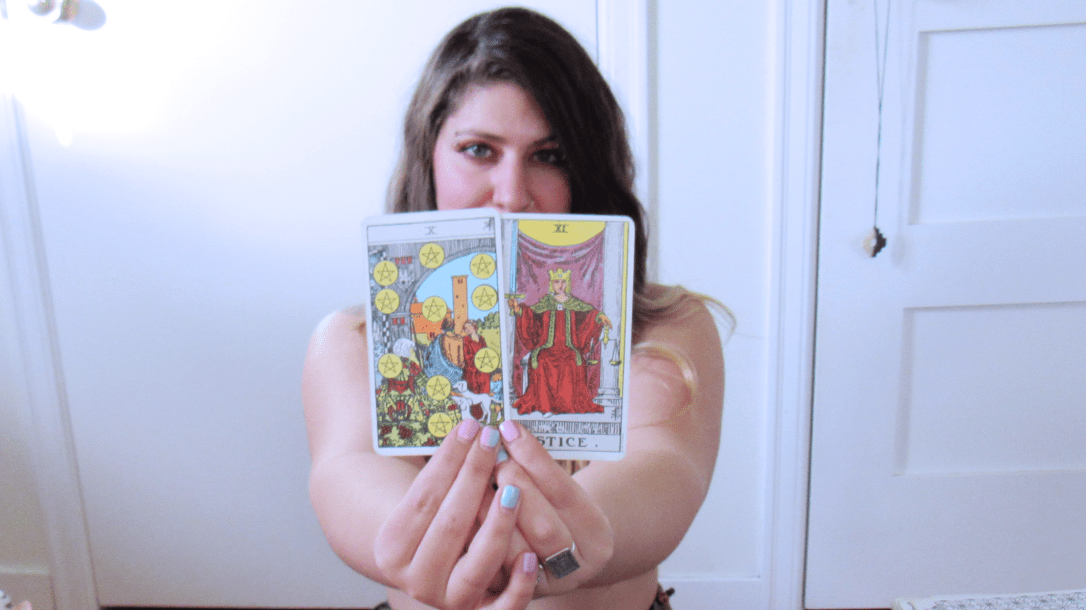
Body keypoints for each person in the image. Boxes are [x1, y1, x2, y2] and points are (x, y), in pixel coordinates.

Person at [303, 7, 728, 610]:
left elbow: (663, 470)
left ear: (586, 169)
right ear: (429, 156)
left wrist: (535, 548)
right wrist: (442, 550)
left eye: (549, 156)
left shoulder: (667, 326)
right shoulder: (351, 340)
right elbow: (346, 473)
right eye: (479, 150)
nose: (512, 194)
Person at [508, 268, 611, 416]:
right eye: (557, 282)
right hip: (547, 347)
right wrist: (518, 309)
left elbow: (590, 313)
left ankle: (567, 406)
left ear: (567, 284)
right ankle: (546, 406)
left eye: (563, 282)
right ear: (552, 284)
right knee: (541, 360)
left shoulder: (574, 303)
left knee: (572, 362)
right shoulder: (546, 302)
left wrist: (599, 317)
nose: (560, 285)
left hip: (569, 347)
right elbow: (529, 315)